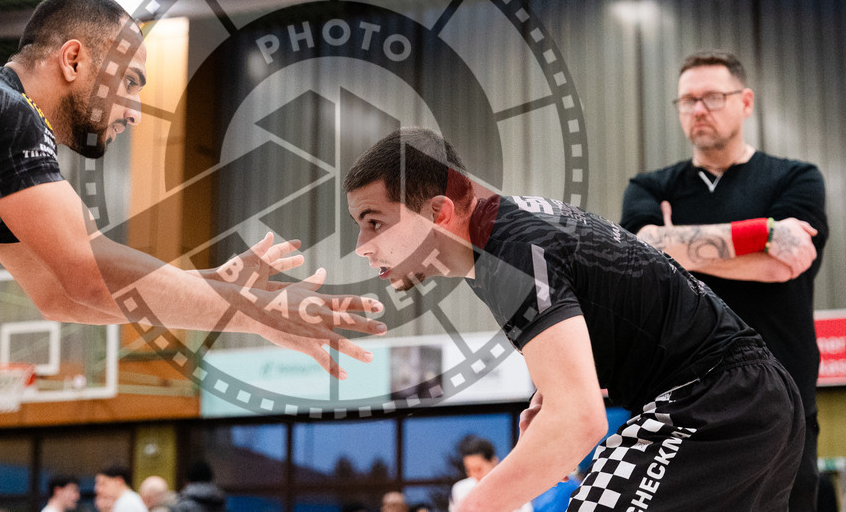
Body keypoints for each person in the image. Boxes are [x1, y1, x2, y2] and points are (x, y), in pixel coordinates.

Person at [0, 0, 384, 511]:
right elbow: (90, 269)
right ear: (73, 61)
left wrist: (217, 286)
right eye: (132, 81)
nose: (136, 109)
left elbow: (60, 296)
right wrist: (254, 313)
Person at [344, 127, 805, 511]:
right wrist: (558, 387)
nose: (362, 245)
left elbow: (580, 420)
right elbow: (611, 294)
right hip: (752, 398)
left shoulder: (508, 256)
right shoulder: (511, 225)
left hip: (715, 402)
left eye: (374, 222)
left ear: (439, 213)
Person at [621, 49, 827, 511]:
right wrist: (763, 234)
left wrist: (675, 250)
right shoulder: (650, 187)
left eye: (712, 97)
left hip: (783, 393)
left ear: (746, 101)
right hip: (684, 398)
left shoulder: (795, 178)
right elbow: (641, 250)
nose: (698, 110)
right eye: (687, 101)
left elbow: (787, 264)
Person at [448, 436, 530, 512]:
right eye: (469, 470)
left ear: (493, 461)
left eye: (478, 469)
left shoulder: (514, 488)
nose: (473, 475)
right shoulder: (461, 489)